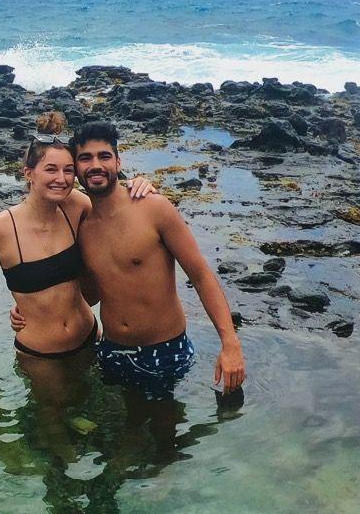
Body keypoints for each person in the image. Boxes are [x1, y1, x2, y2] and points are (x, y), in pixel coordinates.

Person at [40, 121, 247, 398]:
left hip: (164, 350)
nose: (95, 165)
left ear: (118, 161)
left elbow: (200, 275)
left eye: (104, 156)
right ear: (76, 168)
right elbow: (87, 296)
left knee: (166, 436)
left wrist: (230, 343)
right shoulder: (81, 224)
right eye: (85, 158)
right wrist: (32, 307)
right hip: (111, 350)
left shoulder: (153, 208)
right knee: (124, 433)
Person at [0, 133, 157, 365]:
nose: (61, 179)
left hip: (91, 338)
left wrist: (136, 186)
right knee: (51, 410)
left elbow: (114, 211)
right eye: (51, 169)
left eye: (68, 170)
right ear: (28, 173)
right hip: (41, 356)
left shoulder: (75, 206)